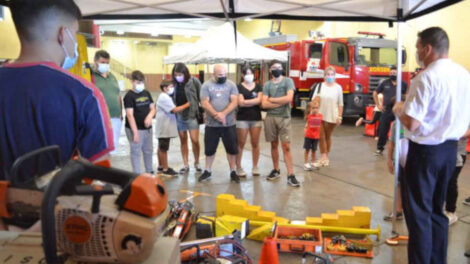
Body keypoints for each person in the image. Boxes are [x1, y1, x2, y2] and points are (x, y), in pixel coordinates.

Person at [0, 0, 113, 181]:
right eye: (74, 34)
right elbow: (99, 173)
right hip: (54, 206)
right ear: (63, 34)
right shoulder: (83, 94)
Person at [393, 27, 470, 264]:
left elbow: (413, 124)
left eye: (417, 49)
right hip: (450, 151)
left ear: (427, 49)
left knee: (418, 215)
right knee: (438, 211)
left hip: (425, 154)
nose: (417, 54)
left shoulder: (425, 77)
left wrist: (398, 109)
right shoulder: (464, 75)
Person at [198, 64, 239, 183]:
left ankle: (233, 171)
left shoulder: (231, 85)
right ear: (213, 74)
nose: (223, 77)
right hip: (212, 125)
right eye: (220, 75)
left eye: (225, 74)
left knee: (231, 149)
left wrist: (224, 114)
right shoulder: (206, 85)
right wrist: (217, 115)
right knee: (209, 150)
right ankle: (207, 171)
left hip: (229, 124)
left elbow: (235, 102)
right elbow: (205, 103)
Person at [261, 60, 299, 187]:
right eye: (274, 67)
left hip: (284, 117)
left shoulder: (288, 81)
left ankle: (291, 175)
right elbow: (263, 103)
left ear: (281, 69)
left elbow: (289, 98)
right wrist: (280, 101)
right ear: (270, 70)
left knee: (286, 146)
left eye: (279, 67)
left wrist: (272, 99)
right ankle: (276, 170)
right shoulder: (267, 84)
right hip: (270, 118)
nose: (276, 69)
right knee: (274, 145)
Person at [172, 63, 203, 174]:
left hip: (192, 116)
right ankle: (185, 164)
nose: (178, 76)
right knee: (183, 140)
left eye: (180, 74)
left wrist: (203, 112)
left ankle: (197, 162)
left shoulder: (194, 82)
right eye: (176, 75)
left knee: (195, 140)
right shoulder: (175, 85)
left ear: (185, 73)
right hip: (179, 116)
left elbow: (201, 97)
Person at [309, 66, 343, 167]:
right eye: (328, 74)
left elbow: (340, 104)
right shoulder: (319, 86)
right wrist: (311, 114)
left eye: (332, 74)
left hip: (332, 116)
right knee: (320, 136)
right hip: (318, 116)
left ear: (335, 76)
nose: (330, 76)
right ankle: (323, 157)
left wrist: (339, 116)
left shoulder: (338, 88)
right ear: (324, 76)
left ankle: (325, 156)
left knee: (328, 136)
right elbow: (314, 101)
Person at [123, 71, 155, 174]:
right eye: (137, 82)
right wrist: (135, 132)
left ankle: (149, 171)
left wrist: (149, 117)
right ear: (132, 81)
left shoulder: (146, 93)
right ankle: (136, 175)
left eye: (141, 82)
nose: (140, 84)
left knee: (148, 150)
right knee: (136, 152)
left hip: (147, 128)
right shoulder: (129, 96)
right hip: (135, 128)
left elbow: (153, 108)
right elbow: (130, 115)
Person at [155, 80, 189, 176]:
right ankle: (165, 169)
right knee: (163, 148)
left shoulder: (165, 97)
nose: (172, 88)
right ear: (165, 88)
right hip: (164, 127)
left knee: (161, 146)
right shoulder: (164, 97)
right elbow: (174, 110)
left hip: (164, 126)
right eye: (171, 86)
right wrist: (188, 104)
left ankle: (161, 165)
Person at [92, 50, 122, 154]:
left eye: (107, 63)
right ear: (95, 61)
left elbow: (118, 95)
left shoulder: (112, 76)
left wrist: (121, 114)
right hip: (100, 118)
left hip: (115, 118)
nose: (105, 65)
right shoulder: (90, 76)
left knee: (112, 149)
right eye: (102, 62)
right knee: (100, 150)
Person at [235, 65, 263, 177]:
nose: (249, 76)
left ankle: (255, 166)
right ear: (242, 75)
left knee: (255, 143)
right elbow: (240, 102)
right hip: (242, 118)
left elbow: (260, 100)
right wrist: (254, 101)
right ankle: (238, 167)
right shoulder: (239, 87)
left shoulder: (258, 86)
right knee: (240, 143)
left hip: (256, 118)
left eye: (250, 73)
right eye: (246, 73)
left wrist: (246, 102)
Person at [374, 66, 408, 156]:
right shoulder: (385, 83)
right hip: (387, 110)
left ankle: (400, 148)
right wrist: (378, 104)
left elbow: (408, 96)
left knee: (400, 129)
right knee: (383, 130)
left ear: (398, 73)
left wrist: (404, 105)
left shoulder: (403, 84)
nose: (393, 74)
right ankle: (379, 148)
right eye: (391, 73)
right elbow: (375, 93)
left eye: (394, 73)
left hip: (398, 111)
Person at [384, 120, 408, 221]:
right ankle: (398, 211)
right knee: (399, 184)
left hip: (415, 159)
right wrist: (389, 159)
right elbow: (391, 142)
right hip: (400, 158)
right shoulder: (396, 123)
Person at [444, 136, 468, 225]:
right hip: (440, 151)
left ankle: (451, 212)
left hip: (457, 153)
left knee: (451, 181)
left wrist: (452, 133)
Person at [303, 101, 322, 171]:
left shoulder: (320, 116)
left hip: (316, 137)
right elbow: (308, 119)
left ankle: (313, 162)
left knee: (314, 150)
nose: (315, 109)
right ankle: (305, 163)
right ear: (310, 109)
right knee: (307, 150)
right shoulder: (309, 116)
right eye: (313, 108)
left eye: (317, 108)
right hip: (308, 136)